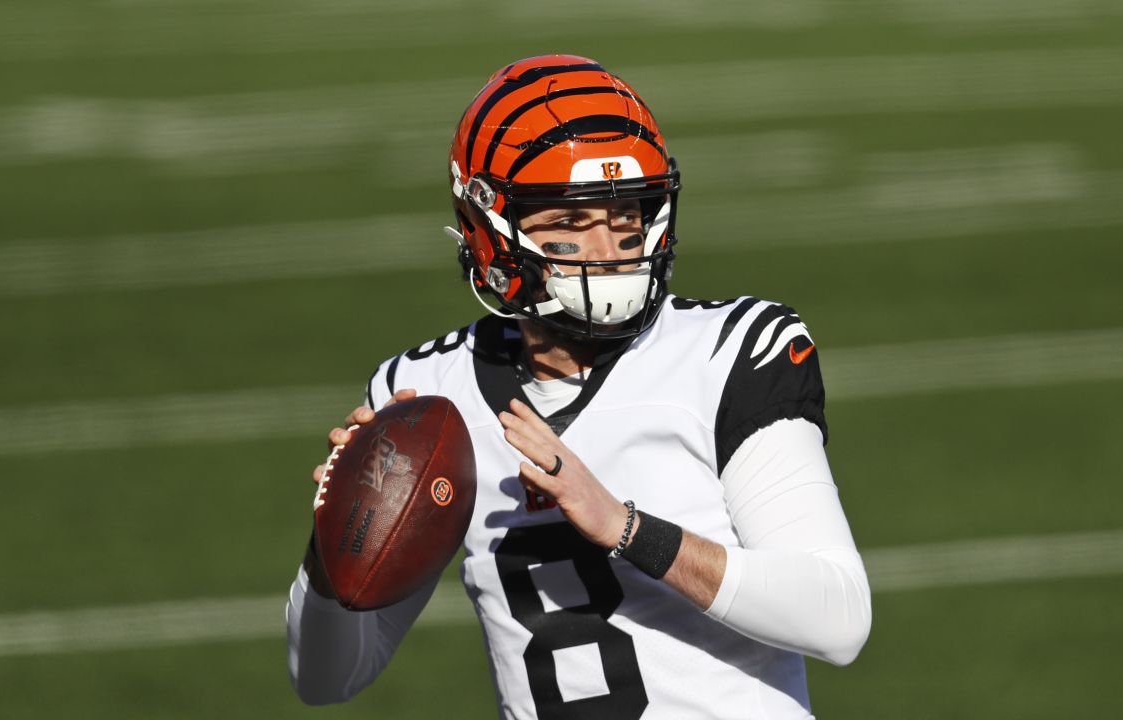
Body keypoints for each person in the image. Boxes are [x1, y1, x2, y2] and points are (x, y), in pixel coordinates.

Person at [286, 54, 871, 719]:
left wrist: (626, 528)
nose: (607, 248)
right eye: (568, 222)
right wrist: (335, 539)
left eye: (626, 214)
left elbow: (838, 617)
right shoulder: (427, 395)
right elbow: (326, 678)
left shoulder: (731, 351)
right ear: (489, 233)